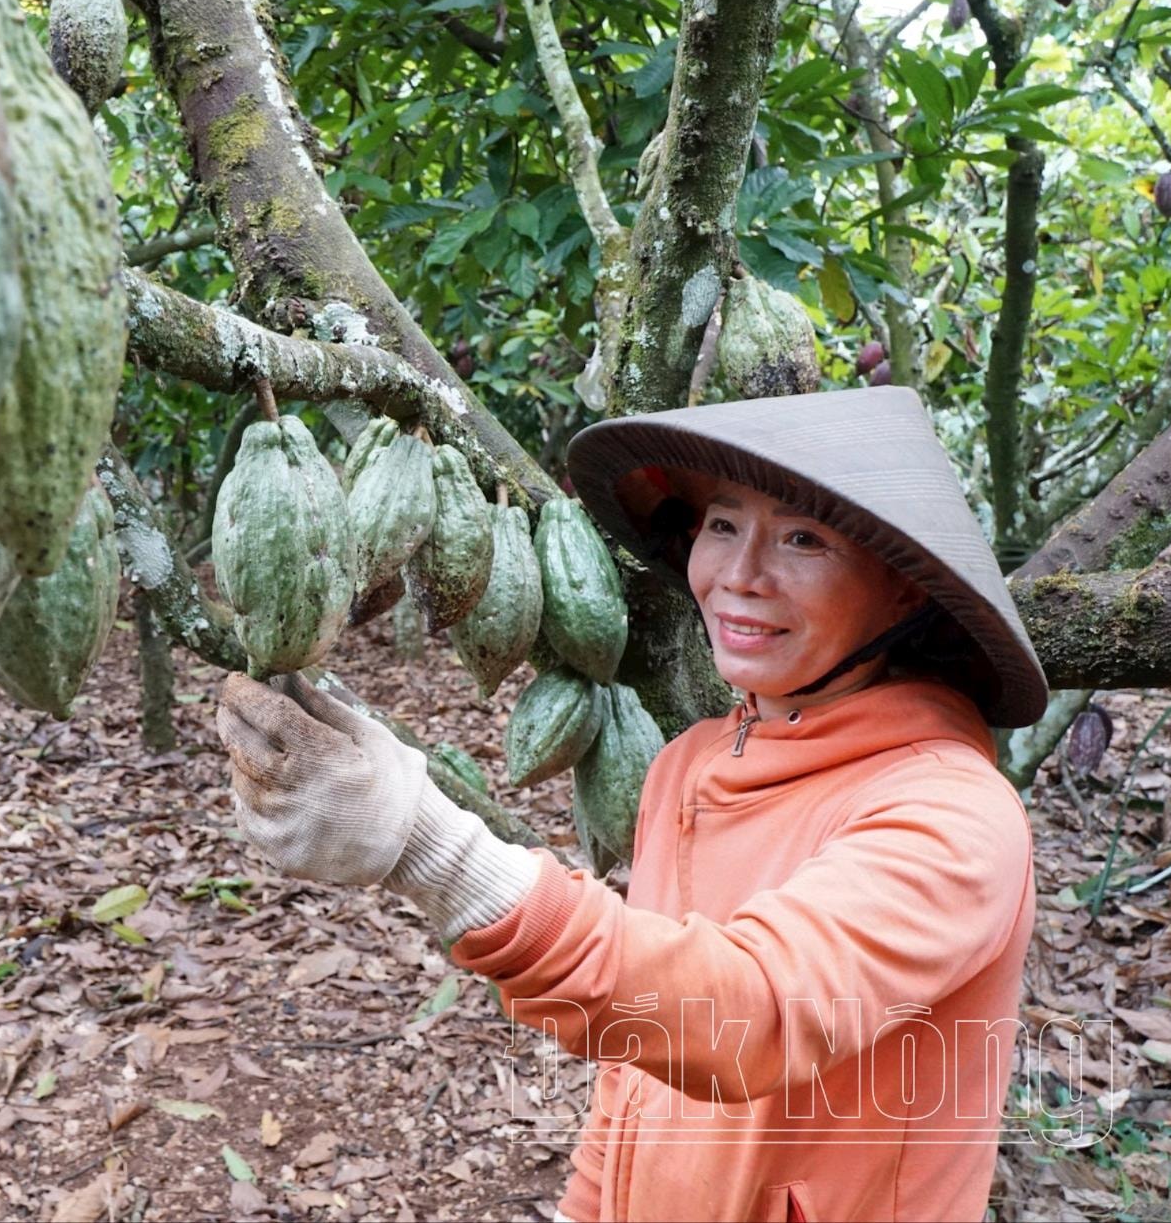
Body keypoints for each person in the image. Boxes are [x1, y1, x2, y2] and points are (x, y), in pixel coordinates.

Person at [215, 387, 1049, 1222]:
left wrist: (430, 847)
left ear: (904, 591)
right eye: (722, 525)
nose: (739, 576)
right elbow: (640, 1060)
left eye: (804, 538)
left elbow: (749, 1014)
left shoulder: (954, 813)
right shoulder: (684, 767)